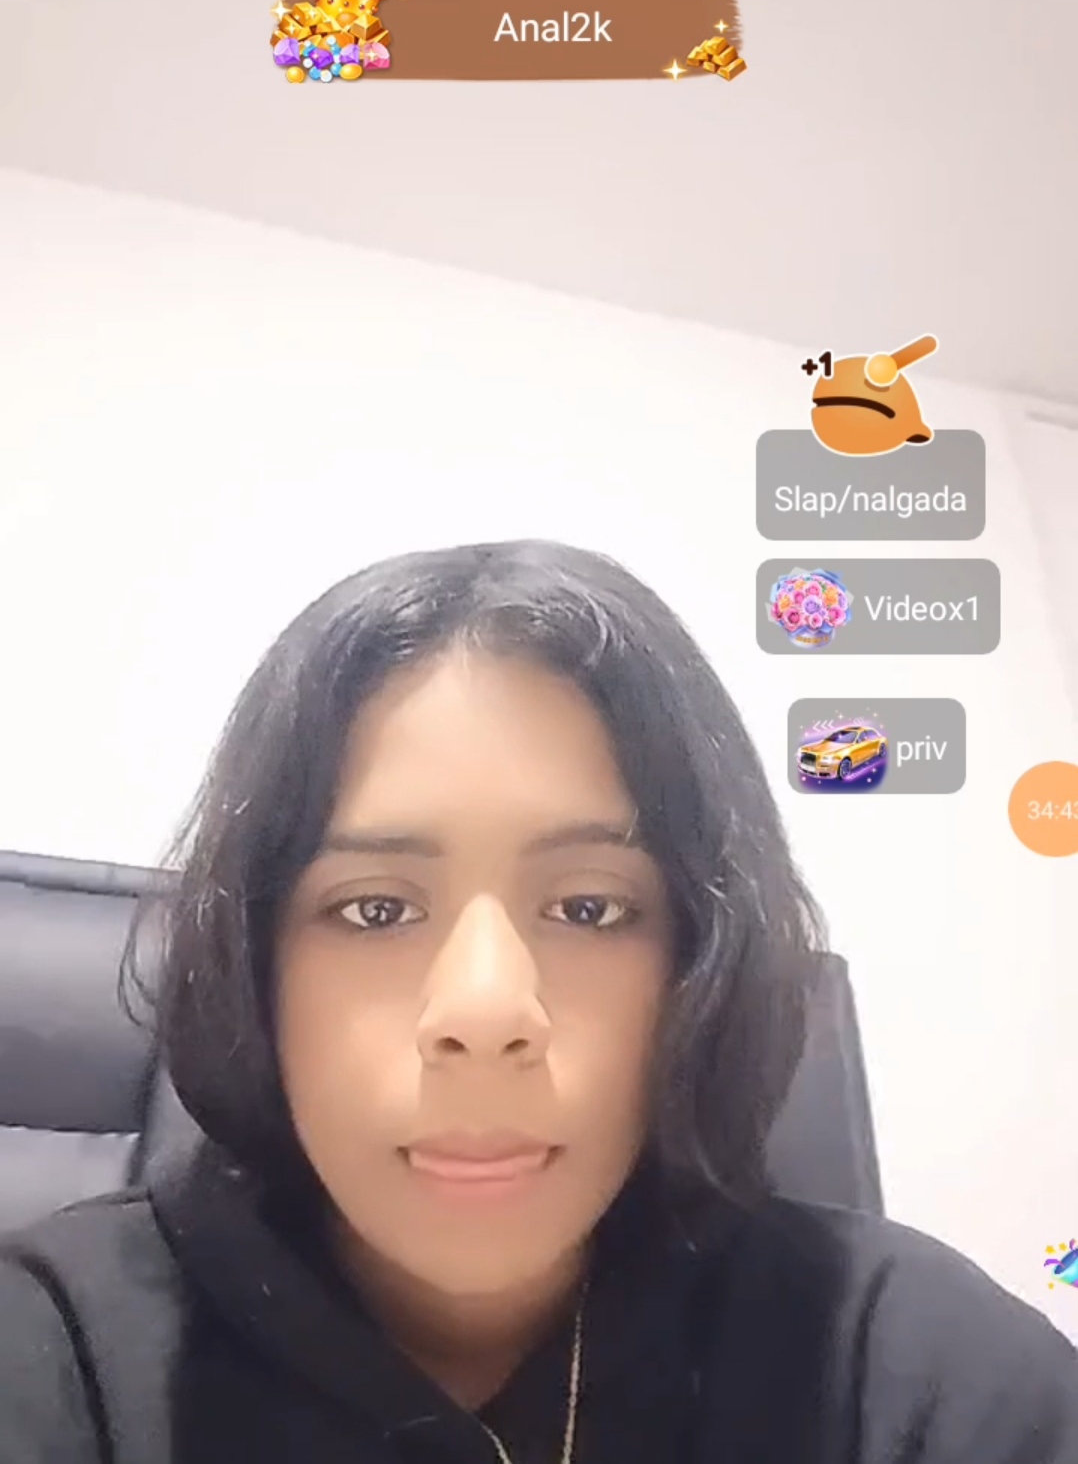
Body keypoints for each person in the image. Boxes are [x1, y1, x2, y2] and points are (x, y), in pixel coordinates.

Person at [0, 540, 1074, 1464]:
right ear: (253, 961)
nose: (484, 1010)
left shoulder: (913, 1375)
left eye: (589, 909)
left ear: (699, 962)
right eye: (375, 909)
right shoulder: (54, 1356)